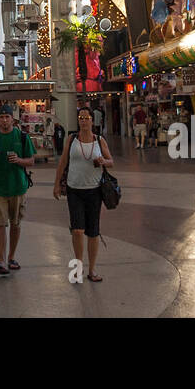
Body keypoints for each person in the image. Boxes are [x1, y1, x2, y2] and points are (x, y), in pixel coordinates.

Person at [54, 107, 113, 282]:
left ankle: (92, 269)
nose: (84, 121)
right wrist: (56, 184)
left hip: (94, 191)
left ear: (92, 121)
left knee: (93, 232)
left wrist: (103, 161)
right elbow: (63, 161)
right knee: (78, 230)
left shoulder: (99, 140)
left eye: (87, 118)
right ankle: (78, 267)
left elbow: (111, 161)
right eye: (81, 118)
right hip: (74, 190)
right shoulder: (71, 139)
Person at [0, 105, 36, 275]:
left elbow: (31, 160)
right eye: (1, 117)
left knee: (15, 223)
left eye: (7, 117)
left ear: (13, 119)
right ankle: (2, 260)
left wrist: (18, 160)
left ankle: (11, 257)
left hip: (18, 186)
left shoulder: (22, 137)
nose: (4, 120)